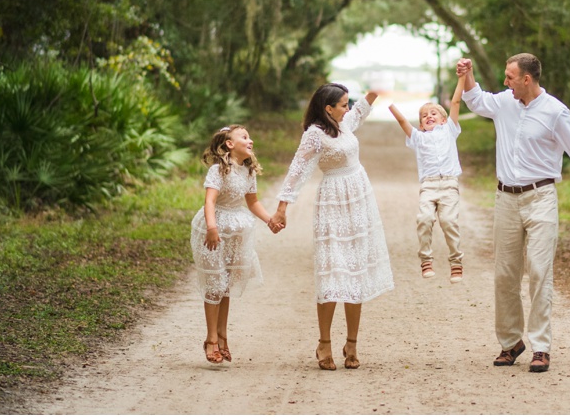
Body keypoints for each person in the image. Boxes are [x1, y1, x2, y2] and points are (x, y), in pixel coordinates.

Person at [456, 54, 570, 373]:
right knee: (505, 274)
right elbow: (474, 99)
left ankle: (541, 347)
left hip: (540, 197)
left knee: (540, 271)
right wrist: (468, 74)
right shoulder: (503, 103)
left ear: (527, 79)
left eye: (509, 77)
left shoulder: (555, 112)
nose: (505, 82)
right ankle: (511, 342)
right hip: (505, 199)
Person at [271, 83, 394, 371]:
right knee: (333, 273)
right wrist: (281, 208)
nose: (348, 108)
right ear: (328, 109)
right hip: (333, 203)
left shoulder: (344, 125)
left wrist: (375, 90)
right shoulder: (314, 135)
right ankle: (324, 342)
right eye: (342, 104)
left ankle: (352, 343)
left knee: (355, 272)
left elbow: (360, 111)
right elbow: (297, 170)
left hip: (359, 199)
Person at [190, 125, 282, 365]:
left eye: (250, 136)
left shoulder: (248, 171)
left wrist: (269, 220)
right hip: (214, 229)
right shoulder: (218, 169)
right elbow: (209, 201)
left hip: (236, 231)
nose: (250, 140)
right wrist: (212, 228)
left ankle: (222, 336)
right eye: (244, 137)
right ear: (229, 144)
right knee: (214, 284)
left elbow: (252, 202)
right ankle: (211, 339)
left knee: (226, 285)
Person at [388, 75, 466, 282]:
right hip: (429, 186)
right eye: (424, 116)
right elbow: (403, 121)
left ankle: (456, 262)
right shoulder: (418, 137)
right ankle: (426, 260)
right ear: (421, 124)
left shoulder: (450, 130)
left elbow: (456, 101)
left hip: (449, 184)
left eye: (434, 113)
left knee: (448, 221)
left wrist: (461, 78)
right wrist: (388, 102)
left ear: (443, 119)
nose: (429, 116)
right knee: (424, 219)